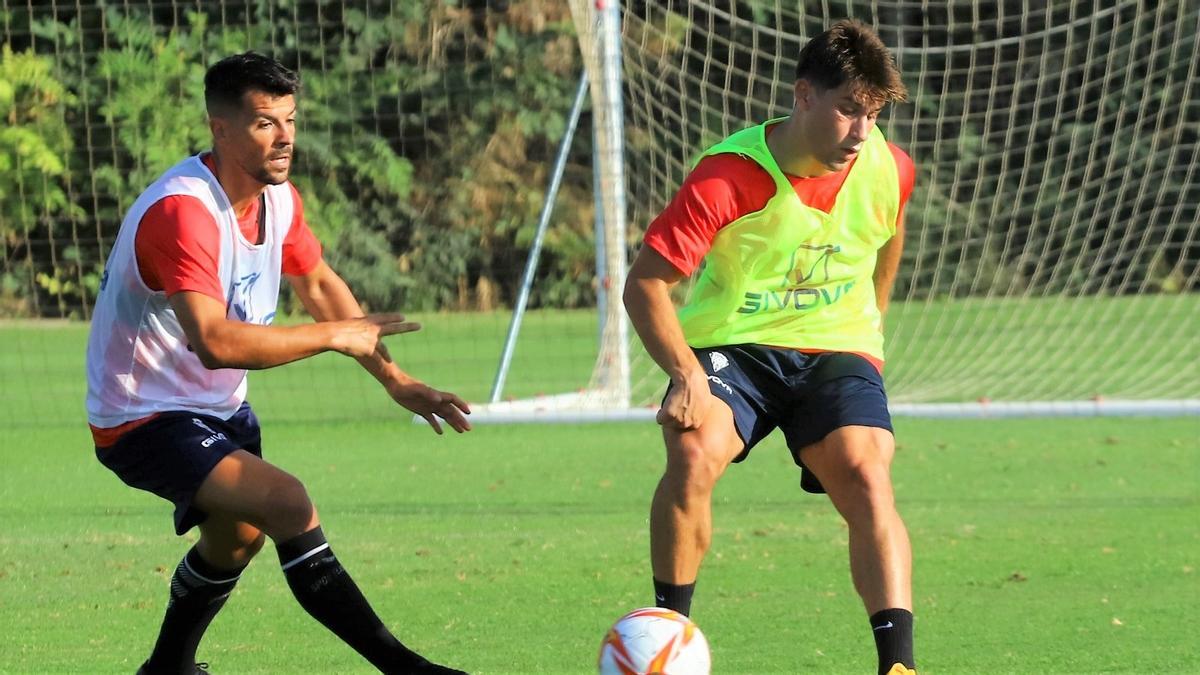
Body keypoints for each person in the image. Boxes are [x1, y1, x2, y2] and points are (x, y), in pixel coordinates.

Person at [85, 52, 472, 674]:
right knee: (289, 504)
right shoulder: (184, 212)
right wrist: (329, 337)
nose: (286, 137)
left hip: (217, 408)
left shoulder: (279, 199)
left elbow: (318, 282)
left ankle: (165, 670)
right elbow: (215, 341)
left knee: (238, 538)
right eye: (266, 122)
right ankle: (408, 670)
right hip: (142, 416)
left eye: (290, 119)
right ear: (221, 128)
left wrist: (394, 378)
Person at [623, 20, 918, 675]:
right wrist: (684, 375)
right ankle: (668, 641)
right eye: (848, 110)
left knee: (869, 473)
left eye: (873, 115)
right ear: (804, 95)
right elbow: (644, 285)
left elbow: (890, 232)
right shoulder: (729, 176)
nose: (862, 132)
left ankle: (899, 666)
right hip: (736, 346)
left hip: (836, 349)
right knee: (694, 448)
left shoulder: (889, 168)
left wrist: (871, 329)